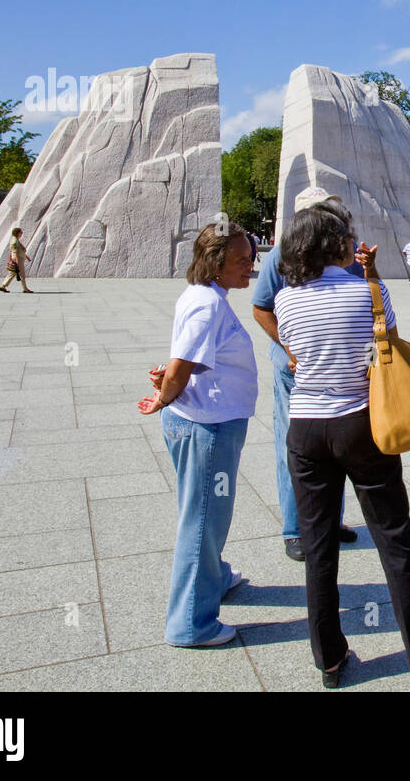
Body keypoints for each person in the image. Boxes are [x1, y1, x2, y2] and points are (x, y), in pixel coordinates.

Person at [275, 203, 410, 690]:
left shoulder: (286, 300)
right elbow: (390, 348)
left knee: (318, 549)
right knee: (395, 540)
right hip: (361, 424)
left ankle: (330, 660)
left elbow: (296, 356)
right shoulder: (369, 293)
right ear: (339, 244)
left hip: (304, 428)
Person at [138, 222, 258, 648]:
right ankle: (191, 623)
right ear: (215, 263)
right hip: (207, 428)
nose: (252, 265)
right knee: (204, 520)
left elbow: (191, 360)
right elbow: (183, 360)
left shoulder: (205, 297)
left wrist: (170, 383)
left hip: (209, 420)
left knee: (204, 513)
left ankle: (214, 575)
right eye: (242, 260)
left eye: (251, 256)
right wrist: (165, 394)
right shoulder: (207, 303)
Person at [251, 187, 360, 563]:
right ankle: (297, 528)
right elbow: (261, 308)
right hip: (294, 371)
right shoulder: (281, 256)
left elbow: (363, 298)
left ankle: (331, 521)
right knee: (295, 448)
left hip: (340, 370)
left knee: (340, 447)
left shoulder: (344, 253)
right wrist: (291, 349)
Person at [0, 227, 35, 293]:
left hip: (19, 259)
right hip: (18, 260)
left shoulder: (16, 240)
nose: (22, 234)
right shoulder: (14, 241)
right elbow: (14, 252)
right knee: (22, 275)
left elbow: (20, 250)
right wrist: (17, 262)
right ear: (17, 233)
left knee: (12, 273)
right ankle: (25, 289)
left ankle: (3, 286)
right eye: (21, 232)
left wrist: (27, 257)